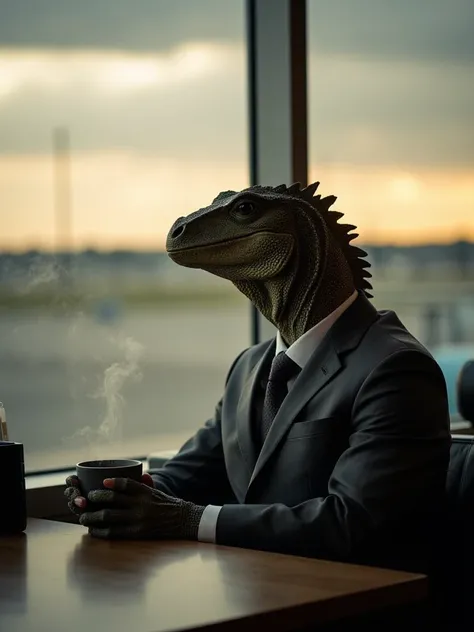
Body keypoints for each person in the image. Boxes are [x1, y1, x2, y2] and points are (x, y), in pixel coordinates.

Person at [65, 183, 451, 571]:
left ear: (299, 234)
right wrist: (113, 498)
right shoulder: (250, 368)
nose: (185, 227)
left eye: (245, 211)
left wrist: (187, 519)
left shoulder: (395, 368)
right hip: (260, 593)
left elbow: (353, 522)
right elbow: (188, 475)